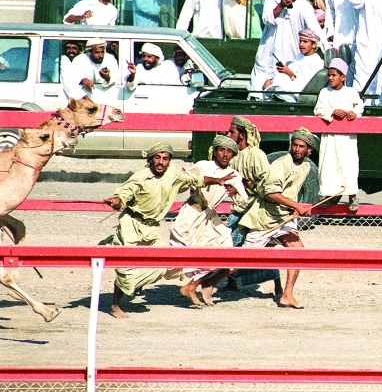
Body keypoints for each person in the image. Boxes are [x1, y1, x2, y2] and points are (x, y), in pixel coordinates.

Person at [101, 142, 234, 319]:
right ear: (150, 160)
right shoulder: (140, 177)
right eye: (157, 158)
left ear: (169, 161)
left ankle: (130, 283)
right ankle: (116, 304)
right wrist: (117, 201)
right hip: (131, 224)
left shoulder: (173, 174)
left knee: (161, 265)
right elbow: (123, 194)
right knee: (126, 268)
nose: (161, 162)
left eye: (165, 159)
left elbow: (196, 179)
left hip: (152, 227)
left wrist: (217, 180)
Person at [238, 128, 318, 309]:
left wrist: (294, 209)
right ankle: (204, 283)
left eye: (301, 146)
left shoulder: (305, 166)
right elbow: (271, 193)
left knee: (297, 252)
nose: (297, 149)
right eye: (295, 145)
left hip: (284, 218)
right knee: (240, 260)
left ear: (309, 150)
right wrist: (296, 205)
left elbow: (291, 191)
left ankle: (287, 294)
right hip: (265, 219)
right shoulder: (281, 164)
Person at [170, 135, 247, 308]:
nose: (225, 154)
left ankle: (201, 285)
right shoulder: (203, 166)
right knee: (185, 258)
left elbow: (244, 201)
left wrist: (235, 192)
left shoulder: (234, 175)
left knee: (228, 253)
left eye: (229, 151)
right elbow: (183, 183)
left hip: (210, 218)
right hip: (191, 215)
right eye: (222, 150)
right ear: (215, 151)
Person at [222, 116, 281, 295]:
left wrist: (250, 185)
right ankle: (232, 282)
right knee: (230, 246)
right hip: (238, 208)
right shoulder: (233, 155)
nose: (228, 134)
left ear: (242, 134)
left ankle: (278, 286)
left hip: (253, 209)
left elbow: (268, 182)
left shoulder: (256, 155)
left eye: (232, 131)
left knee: (254, 249)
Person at [248, 0, 325, 94]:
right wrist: (281, 5)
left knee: (283, 89)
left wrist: (329, 50)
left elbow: (316, 30)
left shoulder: (304, 5)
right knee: (258, 90)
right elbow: (266, 19)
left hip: (291, 57)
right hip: (268, 56)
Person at [314, 57, 364, 212]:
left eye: (334, 75)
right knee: (330, 166)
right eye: (329, 75)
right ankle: (331, 197)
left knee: (348, 165)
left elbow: (359, 106)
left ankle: (352, 197)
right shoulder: (324, 92)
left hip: (347, 138)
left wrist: (353, 113)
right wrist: (332, 112)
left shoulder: (351, 92)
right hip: (331, 138)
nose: (330, 78)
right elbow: (318, 110)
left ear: (343, 77)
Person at [264, 29, 324, 102]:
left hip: (298, 95)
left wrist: (290, 74)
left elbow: (306, 87)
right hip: (289, 89)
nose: (301, 44)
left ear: (314, 45)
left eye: (305, 42)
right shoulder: (299, 57)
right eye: (300, 41)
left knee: (278, 81)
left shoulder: (317, 62)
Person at [67, 39, 119, 104]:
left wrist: (107, 77)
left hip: (106, 97)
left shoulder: (110, 58)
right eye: (97, 52)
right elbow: (71, 77)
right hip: (87, 98)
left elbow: (116, 77)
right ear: (89, 52)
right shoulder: (79, 59)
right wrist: (82, 80)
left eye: (102, 52)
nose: (100, 55)